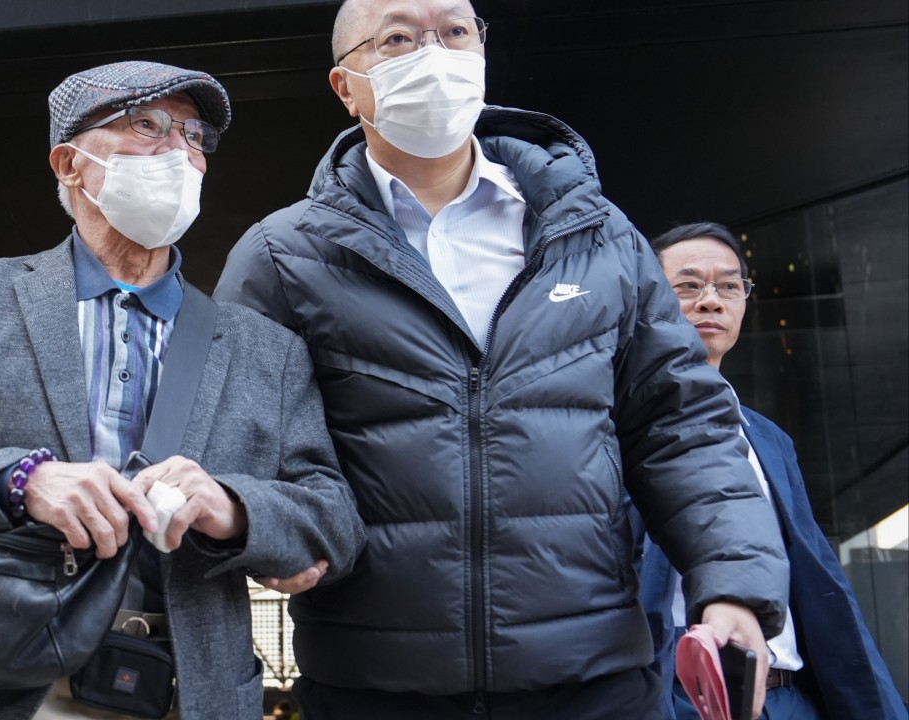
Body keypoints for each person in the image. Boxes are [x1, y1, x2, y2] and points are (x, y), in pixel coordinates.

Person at [213, 1, 791, 718]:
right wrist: (274, 535)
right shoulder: (282, 256)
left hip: (594, 682)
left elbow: (681, 425)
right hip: (376, 686)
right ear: (345, 87)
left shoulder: (596, 234)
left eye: (455, 32)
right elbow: (240, 443)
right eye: (398, 37)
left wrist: (734, 585)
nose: (434, 53)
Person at [0, 60, 365, 720]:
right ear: (70, 164)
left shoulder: (267, 349)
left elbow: (335, 524)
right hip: (2, 688)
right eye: (147, 125)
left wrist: (234, 507)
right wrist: (21, 480)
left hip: (188, 691)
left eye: (194, 136)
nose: (179, 151)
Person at [641, 221, 908, 720]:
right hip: (679, 696)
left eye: (729, 286)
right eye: (688, 285)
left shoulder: (768, 439)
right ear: (645, 297)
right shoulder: (612, 421)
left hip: (789, 697)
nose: (711, 301)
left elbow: (819, 580)